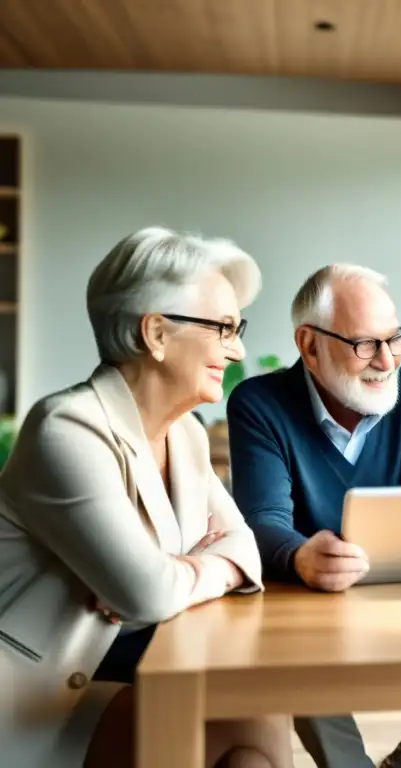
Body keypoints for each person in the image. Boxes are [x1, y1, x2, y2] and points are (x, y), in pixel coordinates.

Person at [0, 227, 292, 768]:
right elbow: (149, 595)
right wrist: (187, 571)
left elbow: (244, 549)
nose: (239, 348)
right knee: (235, 736)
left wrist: (186, 571)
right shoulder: (64, 428)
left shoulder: (186, 434)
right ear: (156, 333)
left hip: (129, 666)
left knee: (260, 712)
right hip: (31, 696)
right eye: (224, 328)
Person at [226, 264, 401, 768]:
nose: (387, 360)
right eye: (366, 344)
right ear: (309, 345)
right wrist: (301, 555)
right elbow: (260, 520)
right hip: (309, 604)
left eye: (395, 340)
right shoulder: (259, 404)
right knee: (299, 657)